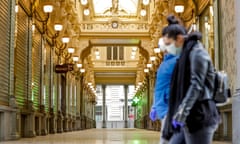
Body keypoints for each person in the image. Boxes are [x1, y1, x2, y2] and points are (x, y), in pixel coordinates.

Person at [162, 15, 220, 144]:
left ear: (179, 38)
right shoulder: (185, 54)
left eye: (169, 44)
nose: (168, 49)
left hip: (200, 116)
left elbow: (196, 86)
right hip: (187, 117)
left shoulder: (197, 52)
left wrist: (182, 112)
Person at [149, 23, 185, 144]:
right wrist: (154, 106)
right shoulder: (164, 63)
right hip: (163, 109)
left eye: (167, 44)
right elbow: (159, 87)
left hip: (171, 109)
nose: (164, 49)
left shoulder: (178, 61)